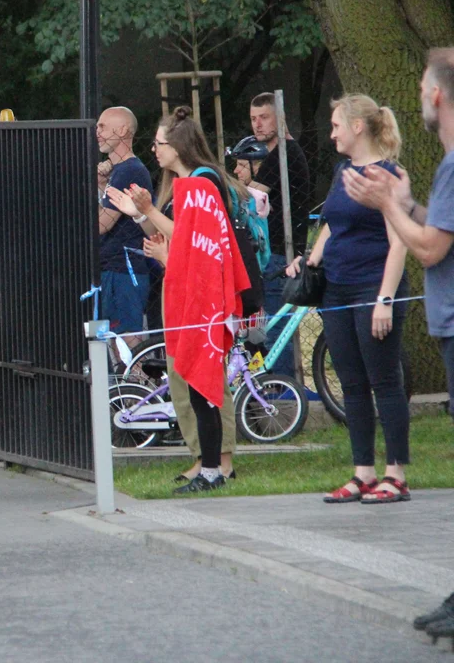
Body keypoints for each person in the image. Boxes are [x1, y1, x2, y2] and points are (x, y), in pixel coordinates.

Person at [342, 48, 454, 639]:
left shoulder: (444, 165)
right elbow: (434, 229)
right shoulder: (442, 170)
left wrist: (390, 203)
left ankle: (394, 471)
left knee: (384, 382)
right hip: (438, 321)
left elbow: (426, 248)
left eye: (419, 89)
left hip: (427, 313)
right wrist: (406, 202)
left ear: (437, 96)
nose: (415, 98)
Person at [108, 106, 255, 490]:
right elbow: (178, 233)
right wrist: (140, 215)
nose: (154, 150)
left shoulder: (201, 184)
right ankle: (204, 460)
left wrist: (148, 212)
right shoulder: (181, 185)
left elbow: (193, 240)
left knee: (205, 383)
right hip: (180, 290)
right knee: (185, 380)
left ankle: (217, 464)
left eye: (158, 144)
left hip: (200, 300)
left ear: (177, 145)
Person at [286, 94, 410, 505]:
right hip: (336, 288)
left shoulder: (391, 176)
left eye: (337, 124)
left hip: (373, 287)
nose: (332, 132)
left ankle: (396, 474)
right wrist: (309, 261)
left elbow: (399, 244)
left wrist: (385, 300)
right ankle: (363, 473)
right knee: (352, 384)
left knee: (385, 380)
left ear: (358, 126)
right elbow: (332, 225)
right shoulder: (343, 171)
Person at [249, 92, 313, 378]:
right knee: (266, 327)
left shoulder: (283, 155)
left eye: (264, 118)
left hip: (280, 253)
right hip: (275, 251)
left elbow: (251, 197)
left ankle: (282, 391)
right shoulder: (276, 155)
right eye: (253, 119)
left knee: (274, 328)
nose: (257, 125)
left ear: (281, 119)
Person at [96, 106, 153, 347]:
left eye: (102, 127)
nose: (97, 132)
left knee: (128, 342)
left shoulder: (129, 170)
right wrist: (100, 185)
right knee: (112, 340)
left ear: (122, 130)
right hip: (114, 267)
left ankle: (137, 383)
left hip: (124, 270)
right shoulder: (118, 171)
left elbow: (102, 224)